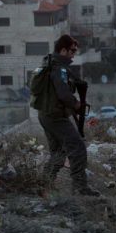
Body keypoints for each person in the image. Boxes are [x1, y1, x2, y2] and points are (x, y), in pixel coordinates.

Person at [32, 35, 96, 196]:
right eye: (72, 50)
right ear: (63, 50)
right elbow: (62, 93)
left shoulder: (50, 64)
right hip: (54, 116)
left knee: (59, 152)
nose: (74, 54)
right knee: (77, 147)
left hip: (46, 115)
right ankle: (80, 187)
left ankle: (44, 184)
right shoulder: (58, 68)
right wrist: (76, 104)